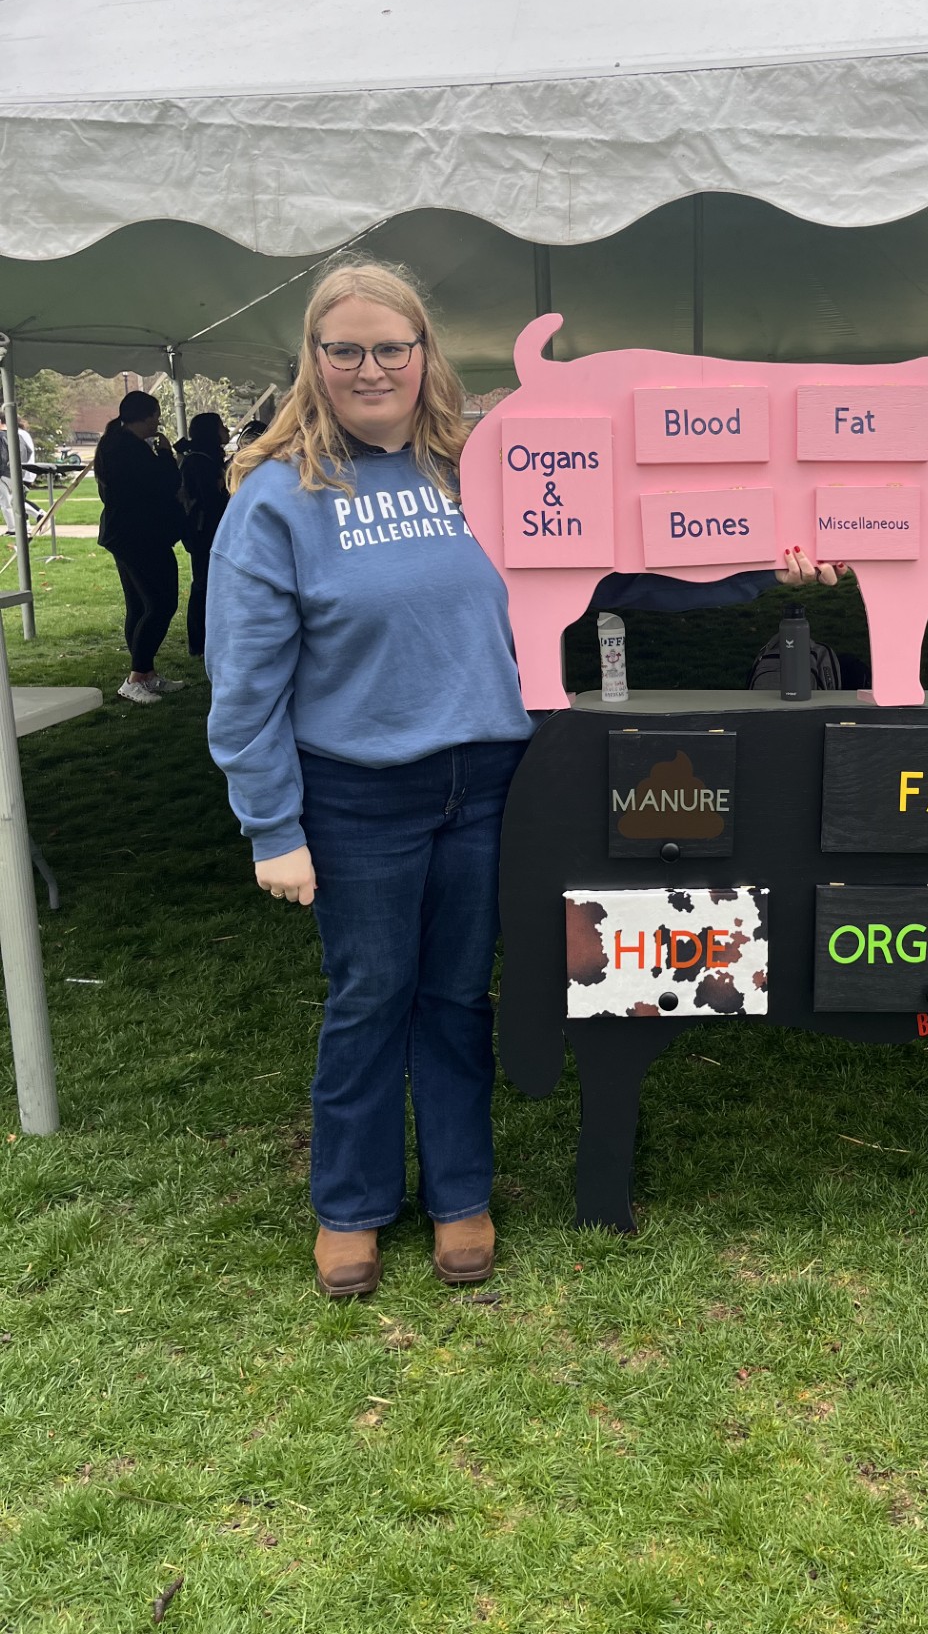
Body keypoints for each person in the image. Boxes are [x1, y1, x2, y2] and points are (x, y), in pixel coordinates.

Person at [206, 261, 843, 1299]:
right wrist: (270, 824)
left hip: (494, 781)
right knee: (372, 997)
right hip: (358, 794)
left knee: (460, 996)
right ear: (313, 365)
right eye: (345, 350)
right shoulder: (278, 501)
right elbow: (244, 684)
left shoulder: (482, 470)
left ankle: (461, 1193)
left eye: (391, 348)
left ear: (425, 358)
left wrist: (760, 567)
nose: (371, 368)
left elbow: (619, 564)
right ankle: (352, 1208)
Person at [94, 390, 186, 704]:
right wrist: (165, 454)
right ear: (144, 416)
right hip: (141, 535)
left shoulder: (112, 443)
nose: (157, 422)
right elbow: (166, 484)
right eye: (155, 415)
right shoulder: (130, 449)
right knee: (161, 604)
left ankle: (145, 673)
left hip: (124, 533)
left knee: (139, 605)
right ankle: (136, 677)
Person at [177, 412, 230, 656]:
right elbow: (209, 499)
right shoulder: (198, 461)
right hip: (204, 531)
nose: (226, 429)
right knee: (203, 585)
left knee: (210, 584)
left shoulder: (207, 458)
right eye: (221, 426)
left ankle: (209, 637)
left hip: (208, 529)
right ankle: (199, 642)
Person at [0, 418, 39, 535]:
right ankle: (32, 518)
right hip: (17, 472)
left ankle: (15, 527)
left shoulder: (3, 436)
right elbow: (28, 451)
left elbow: (3, 456)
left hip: (6, 472)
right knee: (13, 500)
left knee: (8, 501)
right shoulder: (18, 435)